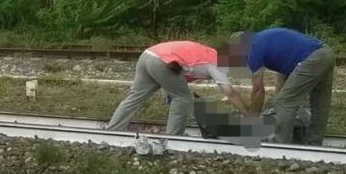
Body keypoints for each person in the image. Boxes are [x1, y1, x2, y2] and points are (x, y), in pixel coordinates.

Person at [105, 40, 249, 135]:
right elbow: (231, 93)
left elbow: (177, 77)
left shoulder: (210, 53)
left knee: (135, 97)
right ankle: (174, 138)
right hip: (162, 61)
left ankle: (112, 131)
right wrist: (249, 115)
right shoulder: (217, 64)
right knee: (182, 98)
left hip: (148, 54)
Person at [232, 28, 335, 145]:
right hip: (326, 54)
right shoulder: (263, 39)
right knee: (320, 105)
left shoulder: (253, 48)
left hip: (312, 58)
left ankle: (282, 145)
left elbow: (258, 90)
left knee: (283, 102)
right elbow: (284, 69)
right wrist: (278, 98)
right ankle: (314, 143)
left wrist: (253, 117)